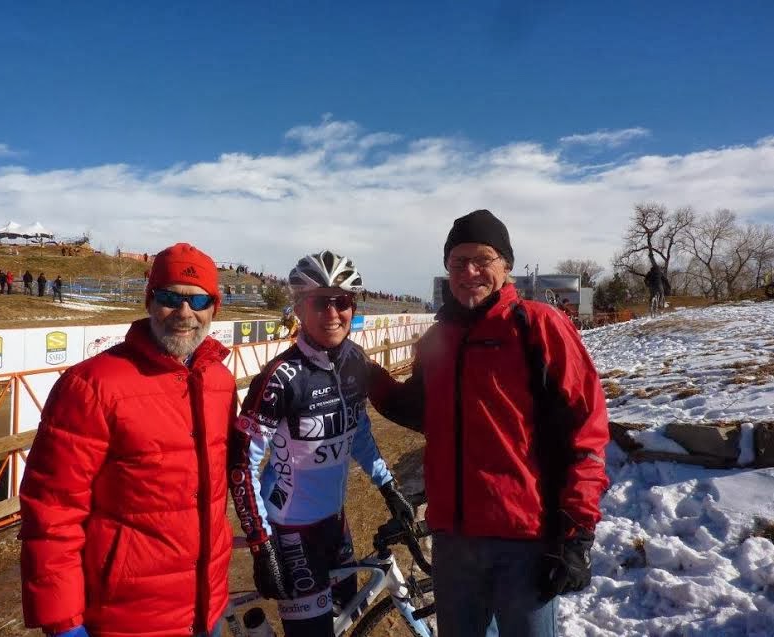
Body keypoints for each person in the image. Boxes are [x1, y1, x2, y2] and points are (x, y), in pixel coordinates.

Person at [368, 209, 610, 637]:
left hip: (524, 540)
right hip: (453, 542)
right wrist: (366, 374)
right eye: (459, 262)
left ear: (506, 264)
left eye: (483, 259)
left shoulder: (538, 326)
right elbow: (420, 411)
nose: (470, 272)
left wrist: (577, 532)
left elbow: (585, 430)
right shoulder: (437, 340)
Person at [19, 243, 236, 637]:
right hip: (128, 618)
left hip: (208, 609)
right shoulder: (91, 385)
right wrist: (63, 621)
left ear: (213, 309)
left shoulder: (220, 381)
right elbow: (52, 509)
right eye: (169, 298)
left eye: (198, 300)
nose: (184, 312)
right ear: (149, 301)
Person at [229, 250, 414, 637]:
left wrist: (388, 486)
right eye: (319, 302)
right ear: (299, 308)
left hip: (335, 524)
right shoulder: (280, 378)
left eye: (341, 301)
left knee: (342, 622)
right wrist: (262, 544)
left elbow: (358, 431)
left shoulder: (355, 362)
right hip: (291, 531)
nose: (332, 313)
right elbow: (242, 463)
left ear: (353, 307)